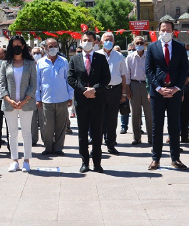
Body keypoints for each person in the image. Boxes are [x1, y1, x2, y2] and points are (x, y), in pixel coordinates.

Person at [145, 20, 189, 170]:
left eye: (168, 29)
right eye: (163, 29)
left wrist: (177, 87)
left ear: (173, 31)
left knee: (174, 126)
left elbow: (184, 69)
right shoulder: (152, 47)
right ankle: (155, 158)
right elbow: (149, 70)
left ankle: (175, 158)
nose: (166, 32)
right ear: (159, 31)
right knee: (157, 126)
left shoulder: (180, 47)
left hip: (174, 91)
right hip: (158, 92)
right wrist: (158, 88)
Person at [68, 31, 111, 173]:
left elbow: (106, 78)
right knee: (82, 133)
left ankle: (97, 162)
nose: (87, 42)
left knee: (97, 132)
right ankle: (84, 162)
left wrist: (94, 90)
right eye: (84, 40)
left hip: (97, 100)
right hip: (81, 101)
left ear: (94, 42)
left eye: (89, 40)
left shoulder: (101, 58)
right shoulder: (75, 59)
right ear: (81, 41)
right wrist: (84, 90)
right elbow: (71, 78)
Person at [0, 35, 38, 172]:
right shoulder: (5, 63)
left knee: (27, 132)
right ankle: (14, 160)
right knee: (12, 133)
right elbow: (1, 84)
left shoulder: (30, 63)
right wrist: (9, 100)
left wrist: (24, 101)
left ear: (23, 46)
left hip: (26, 104)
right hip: (9, 104)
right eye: (14, 44)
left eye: (19, 45)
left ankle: (27, 160)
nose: (17, 47)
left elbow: (33, 85)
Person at [35, 37, 74, 155]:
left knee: (61, 126)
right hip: (46, 99)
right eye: (50, 46)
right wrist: (38, 99)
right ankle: (48, 148)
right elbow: (37, 83)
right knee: (47, 126)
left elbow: (68, 80)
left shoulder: (64, 61)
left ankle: (58, 148)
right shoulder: (41, 63)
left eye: (55, 46)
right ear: (45, 48)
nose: (53, 48)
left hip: (62, 98)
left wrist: (70, 96)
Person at [97, 31, 128, 155]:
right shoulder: (96, 55)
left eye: (110, 40)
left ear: (114, 42)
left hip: (115, 90)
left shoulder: (119, 56)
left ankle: (111, 144)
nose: (108, 42)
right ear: (101, 42)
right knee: (99, 119)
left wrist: (124, 93)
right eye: (106, 40)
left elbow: (123, 75)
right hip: (100, 91)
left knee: (112, 119)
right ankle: (97, 144)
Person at [125, 36, 152, 145]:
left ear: (145, 44)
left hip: (147, 86)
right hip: (134, 85)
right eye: (137, 43)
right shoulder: (130, 57)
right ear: (134, 44)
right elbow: (127, 75)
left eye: (141, 43)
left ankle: (151, 138)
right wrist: (128, 90)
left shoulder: (150, 57)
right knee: (135, 114)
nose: (139, 45)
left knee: (149, 114)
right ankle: (137, 138)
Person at [29, 46, 45, 146]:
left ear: (42, 54)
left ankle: (46, 139)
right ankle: (33, 139)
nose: (36, 55)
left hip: (43, 95)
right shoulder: (29, 65)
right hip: (30, 96)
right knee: (32, 120)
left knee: (44, 119)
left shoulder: (43, 64)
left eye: (38, 53)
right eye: (34, 53)